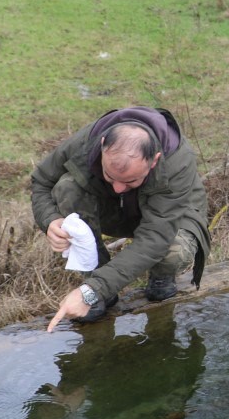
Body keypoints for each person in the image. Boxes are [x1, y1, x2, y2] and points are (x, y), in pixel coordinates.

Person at [32, 107, 210, 331]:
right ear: (103, 144)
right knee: (67, 187)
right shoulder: (86, 142)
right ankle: (100, 284)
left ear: (153, 161)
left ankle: (161, 277)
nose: (118, 187)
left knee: (172, 252)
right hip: (118, 212)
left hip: (172, 219)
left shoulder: (177, 162)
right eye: (109, 176)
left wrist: (90, 291)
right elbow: (41, 182)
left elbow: (154, 237)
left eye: (130, 181)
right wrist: (50, 220)